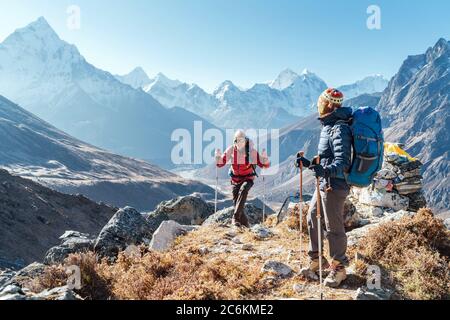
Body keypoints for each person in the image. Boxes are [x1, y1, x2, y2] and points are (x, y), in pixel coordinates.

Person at [295, 88, 353, 288]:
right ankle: (317, 259)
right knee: (312, 216)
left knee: (334, 228)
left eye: (321, 103)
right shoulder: (329, 126)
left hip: (335, 186)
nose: (318, 106)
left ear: (329, 105)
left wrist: (324, 170)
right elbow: (326, 158)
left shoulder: (339, 128)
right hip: (324, 183)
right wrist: (308, 163)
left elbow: (342, 162)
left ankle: (339, 269)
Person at [216, 130, 270, 228]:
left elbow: (263, 165)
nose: (240, 143)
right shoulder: (231, 150)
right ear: (235, 141)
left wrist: (265, 159)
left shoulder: (251, 151)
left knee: (244, 190)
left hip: (248, 177)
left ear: (245, 141)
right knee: (237, 203)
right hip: (235, 179)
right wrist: (218, 157)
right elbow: (220, 164)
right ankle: (246, 226)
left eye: (242, 140)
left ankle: (235, 218)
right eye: (238, 140)